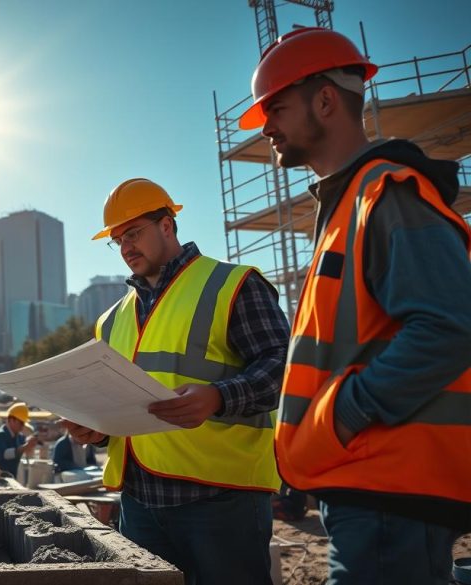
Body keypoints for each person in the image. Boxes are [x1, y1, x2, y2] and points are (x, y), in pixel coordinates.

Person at [240, 27, 471, 584]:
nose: (266, 126)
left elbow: (450, 328)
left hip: (391, 489)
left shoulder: (387, 194)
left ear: (325, 101)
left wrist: (341, 416)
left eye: (278, 108)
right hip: (367, 484)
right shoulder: (349, 204)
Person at [61, 177, 290, 585]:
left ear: (167, 225)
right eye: (118, 239)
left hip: (220, 500)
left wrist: (217, 398)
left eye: (134, 232)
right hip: (139, 503)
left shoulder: (232, 284)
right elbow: (119, 409)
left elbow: (282, 367)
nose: (126, 246)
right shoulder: (111, 320)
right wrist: (95, 430)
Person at [0, 402, 38, 476]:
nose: (23, 426)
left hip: (11, 477)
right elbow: (4, 455)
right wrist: (25, 446)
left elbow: (23, 451)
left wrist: (29, 445)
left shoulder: (19, 436)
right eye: (21, 423)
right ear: (12, 420)